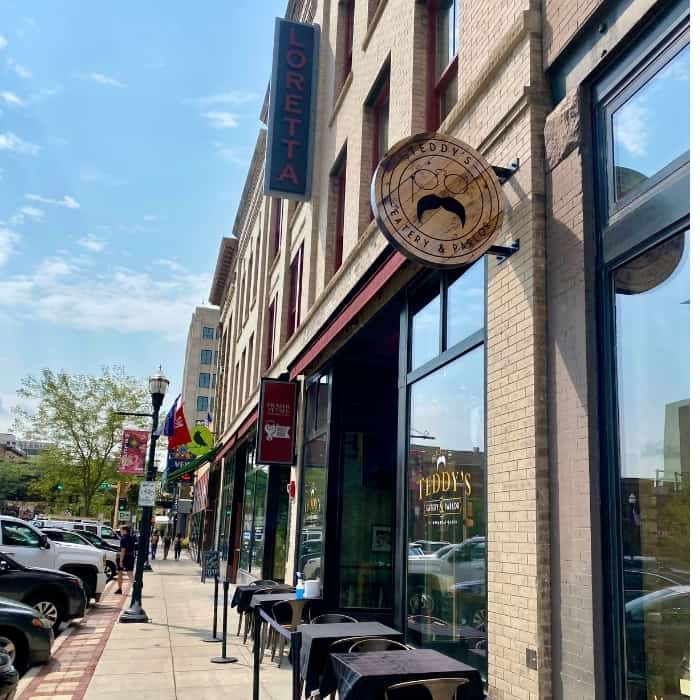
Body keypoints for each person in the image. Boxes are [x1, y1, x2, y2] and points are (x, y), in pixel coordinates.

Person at [116, 524, 136, 594]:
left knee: (120, 573)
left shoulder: (123, 539)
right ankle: (135, 586)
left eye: (121, 530)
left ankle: (119, 589)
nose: (120, 532)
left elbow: (123, 550)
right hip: (131, 556)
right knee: (130, 573)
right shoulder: (132, 538)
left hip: (125, 557)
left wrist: (121, 561)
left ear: (125, 530)